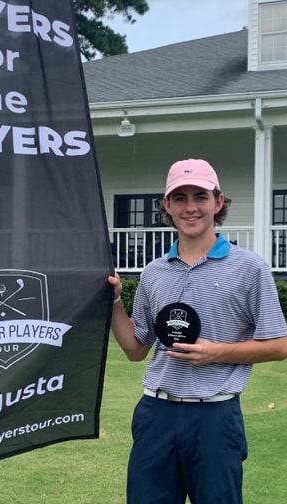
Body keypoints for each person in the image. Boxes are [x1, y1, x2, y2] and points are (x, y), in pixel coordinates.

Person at [108, 158, 287, 504]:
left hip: (215, 417)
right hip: (155, 413)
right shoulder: (154, 272)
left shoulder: (249, 268)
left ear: (218, 203)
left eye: (200, 197)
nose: (191, 207)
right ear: (167, 206)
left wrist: (216, 352)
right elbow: (135, 349)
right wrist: (115, 303)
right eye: (180, 198)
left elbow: (279, 344)